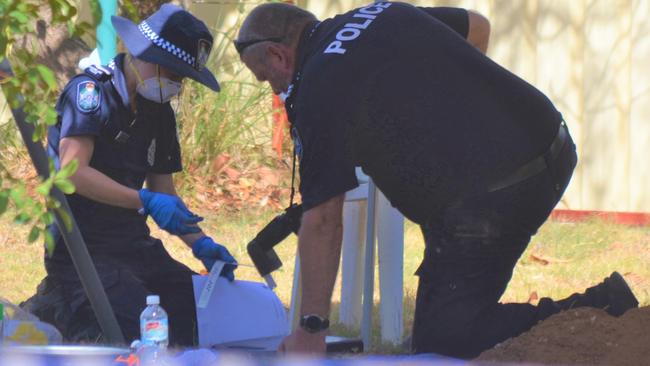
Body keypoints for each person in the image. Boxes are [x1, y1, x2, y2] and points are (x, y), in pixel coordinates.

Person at [235, 2, 639, 358]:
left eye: (264, 76)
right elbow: (478, 26)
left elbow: (323, 220)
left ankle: (603, 308)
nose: (274, 88)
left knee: (445, 339)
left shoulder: (318, 87)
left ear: (278, 55)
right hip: (553, 141)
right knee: (441, 314)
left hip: (497, 193)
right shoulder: (381, 12)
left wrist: (311, 330)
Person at [23, 4, 237, 346]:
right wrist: (143, 200)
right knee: (134, 328)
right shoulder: (89, 93)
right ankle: (56, 304)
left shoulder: (159, 113)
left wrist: (202, 245)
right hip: (83, 251)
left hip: (134, 246)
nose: (177, 85)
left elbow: (163, 192)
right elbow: (73, 173)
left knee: (196, 316)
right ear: (146, 56)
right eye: (174, 74)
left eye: (183, 79)